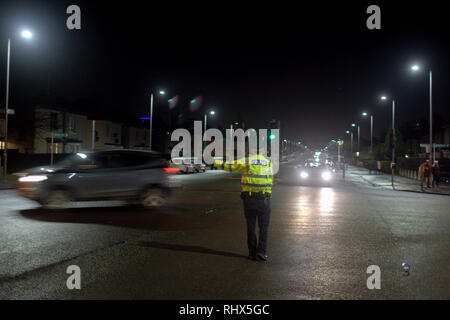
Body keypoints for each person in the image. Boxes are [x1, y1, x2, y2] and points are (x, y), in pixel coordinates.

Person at [214, 146, 273, 261]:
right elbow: (269, 180)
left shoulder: (247, 161)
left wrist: (216, 162)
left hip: (250, 199)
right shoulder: (268, 163)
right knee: (264, 228)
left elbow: (230, 166)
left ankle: (251, 253)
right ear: (262, 152)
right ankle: (261, 252)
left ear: (252, 152)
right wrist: (267, 195)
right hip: (264, 199)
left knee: (250, 226)